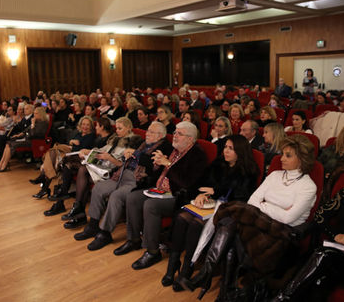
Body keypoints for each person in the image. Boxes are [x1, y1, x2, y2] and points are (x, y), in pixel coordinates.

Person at [184, 134, 317, 300]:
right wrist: (271, 207)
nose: (281, 158)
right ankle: (223, 292)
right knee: (231, 226)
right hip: (255, 223)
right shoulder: (275, 175)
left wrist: (264, 205)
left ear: (303, 159)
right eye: (282, 153)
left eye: (288, 155)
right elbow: (253, 200)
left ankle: (207, 274)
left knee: (233, 214)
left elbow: (288, 218)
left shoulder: (308, 186)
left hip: (280, 234)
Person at [273, 157, 344, 301]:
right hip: (338, 254)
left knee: (323, 257)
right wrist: (336, 235)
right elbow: (319, 216)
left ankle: (281, 299)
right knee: (319, 279)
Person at [162, 135, 259, 292]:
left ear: (240, 151)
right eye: (225, 147)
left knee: (195, 224)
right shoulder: (218, 163)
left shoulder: (248, 170)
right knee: (181, 218)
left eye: (230, 148)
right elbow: (202, 184)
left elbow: (242, 196)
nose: (225, 151)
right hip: (209, 205)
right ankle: (173, 265)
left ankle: (187, 268)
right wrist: (201, 194)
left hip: (228, 210)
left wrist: (215, 191)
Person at [115, 122, 208, 270]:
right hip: (158, 189)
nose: (175, 136)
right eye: (175, 132)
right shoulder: (175, 149)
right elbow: (156, 172)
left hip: (178, 196)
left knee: (151, 205)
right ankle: (133, 240)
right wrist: (158, 162)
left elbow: (186, 182)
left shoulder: (197, 155)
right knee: (133, 198)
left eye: (179, 134)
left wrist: (168, 163)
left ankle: (152, 251)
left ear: (190, 139)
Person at [73, 122, 173, 250]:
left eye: (151, 132)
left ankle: (105, 233)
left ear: (160, 135)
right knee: (99, 188)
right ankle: (93, 225)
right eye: (148, 131)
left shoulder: (164, 147)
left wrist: (136, 154)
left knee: (116, 196)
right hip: (122, 173)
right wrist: (128, 156)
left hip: (137, 180)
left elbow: (153, 167)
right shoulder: (143, 144)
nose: (147, 134)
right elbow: (129, 158)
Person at [48, 117, 142, 220]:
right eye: (116, 128)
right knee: (76, 168)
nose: (117, 131)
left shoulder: (132, 142)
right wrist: (88, 151)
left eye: (120, 128)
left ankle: (78, 209)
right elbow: (102, 150)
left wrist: (109, 158)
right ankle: (78, 209)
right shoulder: (116, 138)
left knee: (82, 171)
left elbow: (123, 164)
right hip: (103, 166)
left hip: (113, 171)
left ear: (128, 128)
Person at [30, 116, 96, 199]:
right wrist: (72, 142)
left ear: (91, 126)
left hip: (77, 157)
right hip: (70, 154)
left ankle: (44, 182)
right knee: (52, 152)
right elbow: (71, 143)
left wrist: (72, 144)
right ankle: (45, 186)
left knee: (54, 155)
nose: (85, 127)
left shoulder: (91, 136)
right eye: (83, 124)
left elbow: (81, 149)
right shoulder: (79, 133)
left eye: (87, 125)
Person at [0, 106, 49, 172]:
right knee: (8, 143)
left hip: (34, 141)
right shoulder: (36, 121)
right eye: (34, 113)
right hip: (27, 139)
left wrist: (32, 124)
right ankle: (1, 164)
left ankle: (4, 166)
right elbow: (26, 130)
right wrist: (19, 135)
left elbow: (33, 134)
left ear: (41, 114)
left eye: (36, 113)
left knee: (12, 144)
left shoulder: (43, 123)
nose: (34, 115)